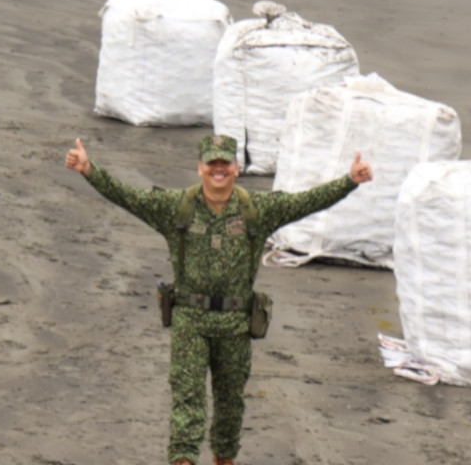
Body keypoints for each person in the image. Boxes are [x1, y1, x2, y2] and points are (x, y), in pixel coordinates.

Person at [64, 134, 373, 465]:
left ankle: (224, 460)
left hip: (235, 326)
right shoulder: (176, 207)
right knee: (187, 400)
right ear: (200, 168)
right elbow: (129, 197)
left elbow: (306, 202)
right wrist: (89, 169)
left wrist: (349, 181)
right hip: (189, 322)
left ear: (237, 169)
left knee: (230, 404)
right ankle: (183, 460)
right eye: (211, 163)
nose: (218, 170)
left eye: (224, 163)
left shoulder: (258, 210)